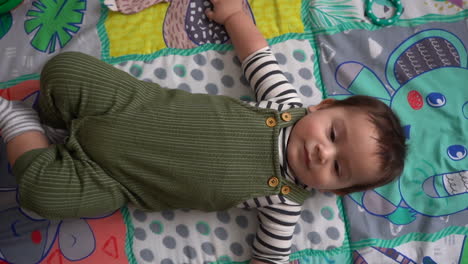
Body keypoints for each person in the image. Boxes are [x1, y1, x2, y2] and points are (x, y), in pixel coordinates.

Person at [0, 0, 407, 263]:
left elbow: (269, 258)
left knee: (43, 193)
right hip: (128, 106)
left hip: (115, 180)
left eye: (338, 169)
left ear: (333, 191)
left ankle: (14, 120)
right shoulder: (285, 105)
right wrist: (234, 17)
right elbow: (257, 56)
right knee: (66, 70)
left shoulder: (284, 205)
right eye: (334, 136)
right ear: (323, 107)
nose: (322, 153)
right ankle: (53, 124)